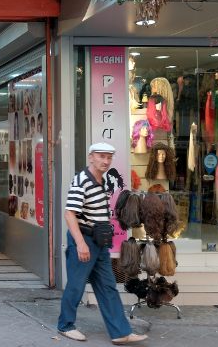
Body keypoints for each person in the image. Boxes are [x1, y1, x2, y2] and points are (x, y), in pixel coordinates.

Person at [57, 143, 148, 345]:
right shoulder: (82, 181)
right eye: (101, 156)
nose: (105, 161)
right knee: (76, 286)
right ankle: (65, 326)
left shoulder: (102, 179)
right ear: (91, 157)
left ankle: (120, 332)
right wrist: (80, 244)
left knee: (108, 286)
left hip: (99, 242)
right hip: (84, 239)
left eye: (109, 157)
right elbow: (69, 213)